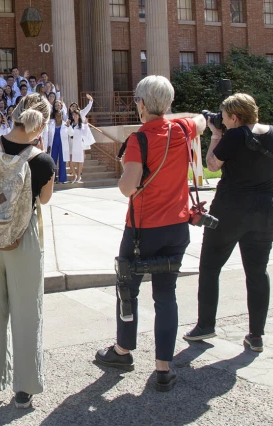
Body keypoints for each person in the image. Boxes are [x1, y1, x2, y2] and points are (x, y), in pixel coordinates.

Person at [94, 75, 206, 392]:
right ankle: (163, 369)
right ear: (168, 104)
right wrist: (167, 114)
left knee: (128, 289)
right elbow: (201, 121)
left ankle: (123, 351)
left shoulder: (138, 140)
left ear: (141, 104)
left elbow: (127, 187)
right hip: (176, 227)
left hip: (143, 230)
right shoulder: (183, 128)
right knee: (165, 295)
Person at [0, 93, 55, 410]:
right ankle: (24, 390)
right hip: (23, 238)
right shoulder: (41, 160)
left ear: (14, 113)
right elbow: (44, 201)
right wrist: (38, 153)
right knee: (27, 312)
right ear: (41, 124)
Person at [184, 93, 273, 353]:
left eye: (223, 117)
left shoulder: (233, 135)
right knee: (257, 271)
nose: (221, 121)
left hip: (230, 211)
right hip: (265, 212)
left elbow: (212, 165)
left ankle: (205, 325)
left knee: (210, 266)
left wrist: (215, 134)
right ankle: (256, 336)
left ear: (234, 117)